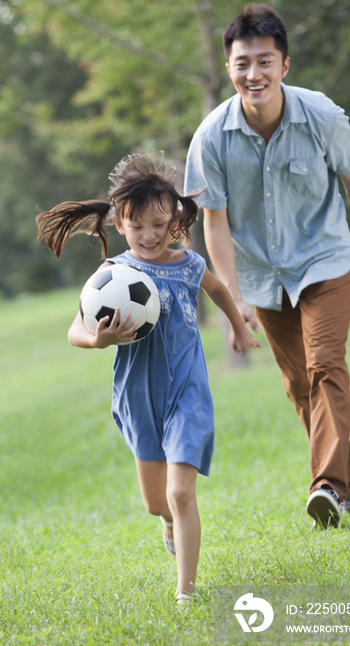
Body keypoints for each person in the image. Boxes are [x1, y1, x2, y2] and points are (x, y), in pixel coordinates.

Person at [184, 4, 350, 528]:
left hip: (324, 261)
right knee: (299, 385)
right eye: (242, 63)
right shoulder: (211, 137)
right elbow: (214, 221)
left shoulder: (319, 114)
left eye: (264, 61)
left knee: (326, 365)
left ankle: (325, 487)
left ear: (285, 65)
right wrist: (231, 296)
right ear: (229, 67)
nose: (253, 74)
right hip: (261, 276)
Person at [36, 153, 258, 603]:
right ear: (120, 224)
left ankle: (186, 592)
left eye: (159, 224)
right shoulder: (113, 276)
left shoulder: (189, 264)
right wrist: (97, 341)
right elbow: (74, 329)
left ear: (174, 218)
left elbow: (216, 289)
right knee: (156, 503)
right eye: (138, 227)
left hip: (187, 394)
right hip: (139, 398)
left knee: (180, 492)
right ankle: (167, 521)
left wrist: (237, 327)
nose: (150, 235)